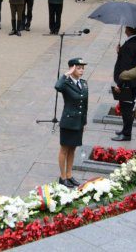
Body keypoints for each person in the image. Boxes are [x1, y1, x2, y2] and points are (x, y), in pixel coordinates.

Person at [54, 57, 89, 188]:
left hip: (78, 122)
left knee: (73, 149)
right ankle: (62, 177)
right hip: (68, 122)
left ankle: (69, 175)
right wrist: (66, 74)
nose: (81, 71)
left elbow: (85, 104)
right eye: (78, 68)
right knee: (64, 149)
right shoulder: (66, 83)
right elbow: (57, 86)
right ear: (72, 69)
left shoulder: (84, 83)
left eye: (82, 68)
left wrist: (84, 122)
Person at [111, 27, 136, 141]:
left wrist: (119, 84)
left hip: (127, 82)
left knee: (126, 109)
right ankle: (125, 129)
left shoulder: (129, 45)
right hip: (133, 81)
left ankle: (126, 134)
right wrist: (120, 52)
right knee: (127, 108)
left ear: (128, 30)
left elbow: (125, 67)